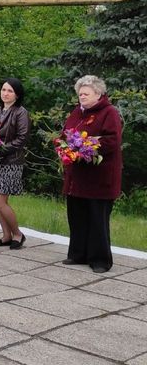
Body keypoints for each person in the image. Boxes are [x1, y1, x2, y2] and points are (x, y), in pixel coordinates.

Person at [61, 75, 123, 273]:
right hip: (77, 176)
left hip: (99, 177)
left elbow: (112, 140)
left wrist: (89, 146)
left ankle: (100, 259)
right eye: (80, 93)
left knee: (97, 218)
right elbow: (65, 134)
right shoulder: (76, 112)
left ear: (98, 94)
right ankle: (78, 254)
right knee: (77, 215)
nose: (82, 96)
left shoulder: (109, 112)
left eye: (86, 93)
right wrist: (64, 147)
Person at [0, 78, 30, 249]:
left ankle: (18, 234)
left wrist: (1, 149)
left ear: (17, 95)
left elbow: (21, 139)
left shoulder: (21, 112)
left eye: (10, 91)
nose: (5, 93)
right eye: (3, 89)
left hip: (11, 161)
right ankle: (6, 236)